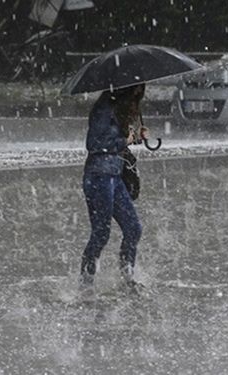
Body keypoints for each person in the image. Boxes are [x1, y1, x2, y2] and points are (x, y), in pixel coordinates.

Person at [80, 83, 149, 292]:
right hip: (98, 176)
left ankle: (127, 277)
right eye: (135, 94)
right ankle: (86, 283)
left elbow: (115, 141)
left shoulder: (119, 109)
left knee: (133, 228)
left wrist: (136, 137)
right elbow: (94, 144)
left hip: (114, 176)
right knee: (101, 233)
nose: (137, 99)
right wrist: (124, 139)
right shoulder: (104, 108)